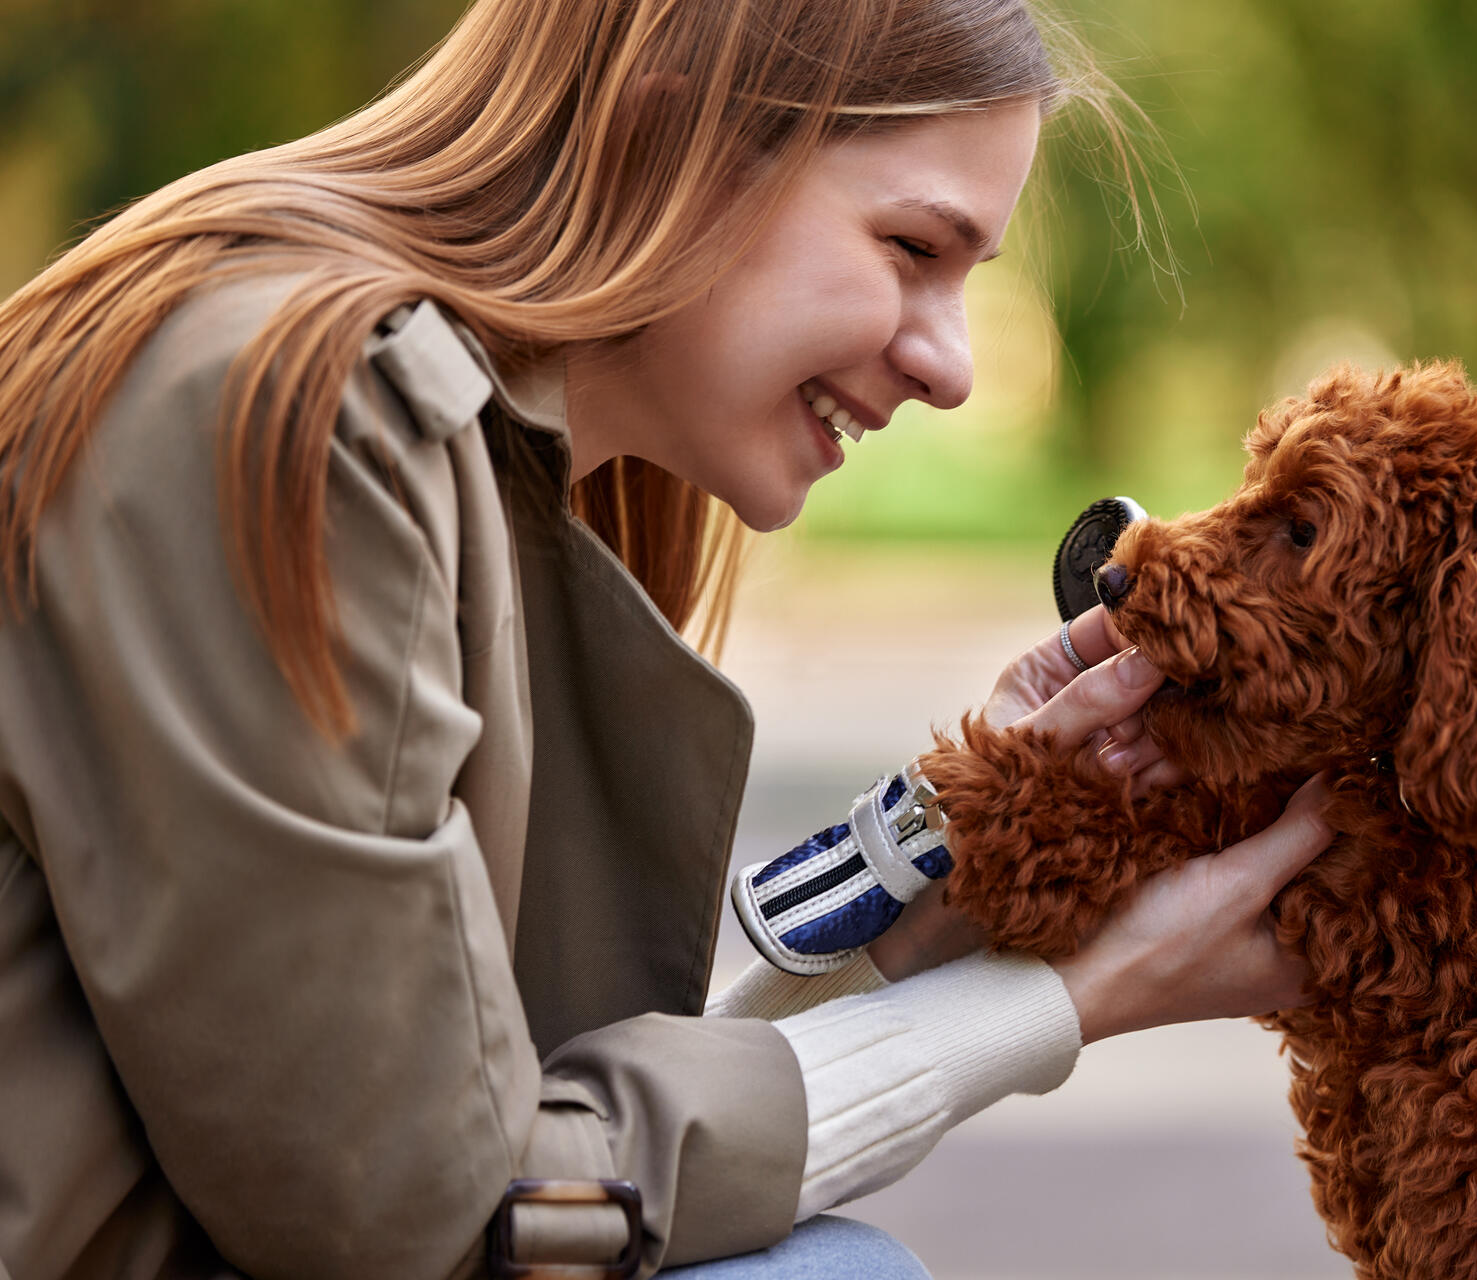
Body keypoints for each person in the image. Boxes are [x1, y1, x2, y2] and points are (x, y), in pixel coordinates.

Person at [0, 1, 1335, 1275]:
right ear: (672, 146)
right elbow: (437, 1221)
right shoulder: (286, 425)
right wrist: (1068, 1003)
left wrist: (950, 847)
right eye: (912, 251)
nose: (953, 365)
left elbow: (537, 1131)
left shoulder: (487, 470)